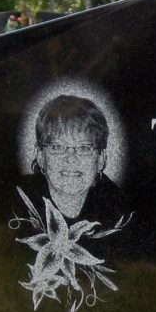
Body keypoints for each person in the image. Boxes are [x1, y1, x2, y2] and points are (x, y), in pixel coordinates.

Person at [24, 95, 123, 226]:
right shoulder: (14, 201)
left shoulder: (122, 209)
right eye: (57, 147)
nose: (71, 159)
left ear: (101, 159)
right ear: (40, 156)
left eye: (84, 148)